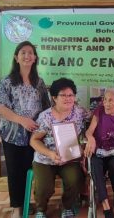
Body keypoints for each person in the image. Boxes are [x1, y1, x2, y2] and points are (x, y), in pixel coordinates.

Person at [0, 41, 51, 218]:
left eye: (31, 53)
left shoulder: (39, 82)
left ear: (35, 58)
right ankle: (17, 207)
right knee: (14, 171)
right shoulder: (7, 81)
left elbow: (46, 107)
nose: (27, 56)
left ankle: (27, 201)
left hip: (34, 135)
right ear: (16, 57)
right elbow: (0, 108)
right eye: (23, 53)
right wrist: (22, 120)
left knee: (30, 169)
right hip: (12, 134)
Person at [30, 78, 87, 218]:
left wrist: (89, 137)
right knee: (44, 188)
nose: (68, 98)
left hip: (70, 158)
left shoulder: (79, 112)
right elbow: (34, 141)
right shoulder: (46, 116)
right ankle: (41, 209)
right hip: (46, 159)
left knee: (75, 179)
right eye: (63, 95)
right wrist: (50, 154)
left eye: (71, 95)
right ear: (54, 97)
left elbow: (97, 118)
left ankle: (67, 206)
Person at [84, 88, 114, 218]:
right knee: (95, 165)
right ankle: (106, 207)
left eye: (111, 100)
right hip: (98, 151)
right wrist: (91, 138)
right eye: (105, 99)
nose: (107, 103)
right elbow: (89, 131)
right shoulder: (99, 111)